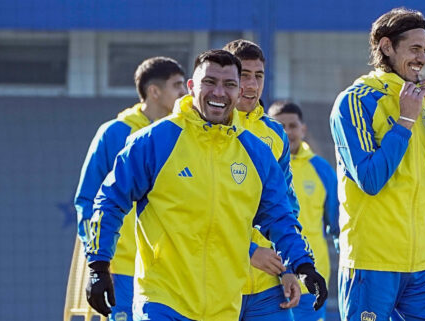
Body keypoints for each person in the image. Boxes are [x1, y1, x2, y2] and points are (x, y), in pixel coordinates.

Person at [84, 49, 327, 321]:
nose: (219, 92)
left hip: (224, 308)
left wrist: (303, 264)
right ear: (191, 87)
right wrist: (98, 265)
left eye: (229, 85)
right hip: (162, 301)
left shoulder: (256, 153)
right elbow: (109, 199)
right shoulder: (155, 141)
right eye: (209, 82)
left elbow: (279, 216)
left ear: (238, 91)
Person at [329, 7, 425, 321]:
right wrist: (404, 121)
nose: (422, 58)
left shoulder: (422, 102)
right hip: (372, 264)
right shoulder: (354, 101)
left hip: (423, 264)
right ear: (386, 46)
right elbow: (370, 178)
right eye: (414, 49)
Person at [74, 56, 187, 321]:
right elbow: (87, 199)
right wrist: (98, 261)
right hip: (121, 267)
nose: (185, 92)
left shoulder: (182, 136)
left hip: (169, 271)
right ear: (154, 91)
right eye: (177, 85)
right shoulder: (113, 134)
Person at [223, 39, 308, 321]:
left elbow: (286, 205)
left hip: (267, 282)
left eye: (258, 76)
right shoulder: (209, 129)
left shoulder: (274, 134)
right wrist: (246, 251)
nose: (252, 84)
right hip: (219, 280)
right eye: (244, 75)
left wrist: (288, 266)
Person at [269, 100, 340, 321]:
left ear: (303, 129)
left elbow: (336, 223)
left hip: (311, 279)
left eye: (292, 126)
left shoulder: (321, 169)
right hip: (269, 278)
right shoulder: (261, 165)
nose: (288, 132)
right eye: (280, 127)